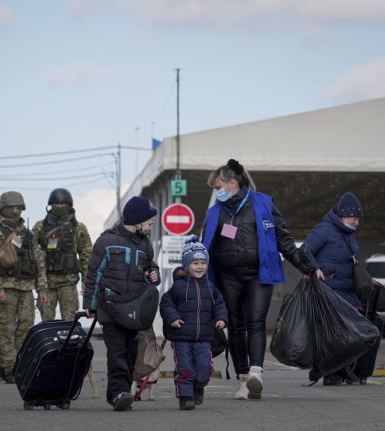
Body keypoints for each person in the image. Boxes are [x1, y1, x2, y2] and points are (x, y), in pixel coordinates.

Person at [201, 159, 314, 400]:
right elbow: (204, 248)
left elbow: (284, 239)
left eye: (217, 187)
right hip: (227, 275)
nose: (216, 192)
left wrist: (306, 266)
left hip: (258, 274)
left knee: (255, 322)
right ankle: (243, 380)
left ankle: (256, 373)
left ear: (233, 183)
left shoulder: (263, 204)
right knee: (235, 325)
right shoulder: (214, 214)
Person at [83, 196, 161, 411]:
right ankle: (118, 392)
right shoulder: (106, 241)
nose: (150, 228)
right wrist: (90, 304)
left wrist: (154, 274)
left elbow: (150, 267)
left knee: (130, 353)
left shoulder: (145, 245)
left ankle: (123, 391)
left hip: (134, 309)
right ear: (137, 221)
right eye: (149, 224)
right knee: (116, 352)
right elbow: (93, 274)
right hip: (109, 308)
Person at [304, 191, 381, 385]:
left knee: (372, 325)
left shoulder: (348, 235)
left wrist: (367, 278)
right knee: (349, 329)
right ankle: (336, 371)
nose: (357, 223)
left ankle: (350, 371)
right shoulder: (324, 230)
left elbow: (350, 264)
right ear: (345, 215)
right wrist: (314, 268)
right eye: (355, 218)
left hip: (347, 294)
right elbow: (304, 250)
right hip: (330, 293)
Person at [0, 191, 47, 383]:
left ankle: (8, 363)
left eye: (19, 208)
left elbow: (38, 261)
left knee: (26, 327)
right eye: (12, 208)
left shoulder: (26, 234)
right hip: (6, 287)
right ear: (3, 208)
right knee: (7, 329)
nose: (16, 211)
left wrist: (42, 288)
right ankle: (10, 368)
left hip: (26, 287)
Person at [160, 235, 228, 410]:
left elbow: (219, 304)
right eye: (195, 263)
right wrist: (173, 318)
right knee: (185, 367)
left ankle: (198, 387)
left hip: (204, 338)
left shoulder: (210, 287)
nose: (200, 267)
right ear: (186, 264)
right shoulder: (178, 286)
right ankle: (185, 397)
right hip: (181, 336)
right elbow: (166, 303)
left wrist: (221, 319)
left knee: (204, 368)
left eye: (203, 263)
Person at [33, 188, 92, 321]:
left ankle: (69, 342)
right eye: (56, 204)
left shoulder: (78, 228)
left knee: (69, 321)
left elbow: (86, 255)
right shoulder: (40, 227)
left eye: (62, 204)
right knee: (47, 322)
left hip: (68, 282)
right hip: (47, 284)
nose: (59, 206)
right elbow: (29, 251)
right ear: (50, 205)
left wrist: (86, 280)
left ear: (69, 205)